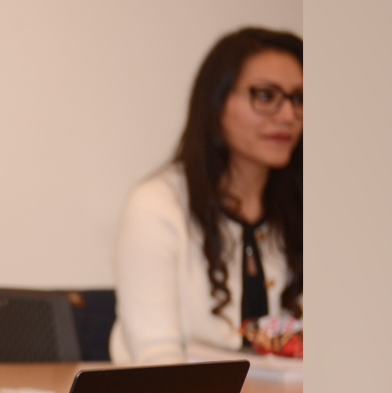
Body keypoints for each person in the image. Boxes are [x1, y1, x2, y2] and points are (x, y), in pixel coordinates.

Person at [112, 27, 305, 364]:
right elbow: (158, 361)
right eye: (265, 95)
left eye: (299, 98)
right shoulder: (158, 205)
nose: (287, 115)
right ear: (216, 103)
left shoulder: (303, 208)